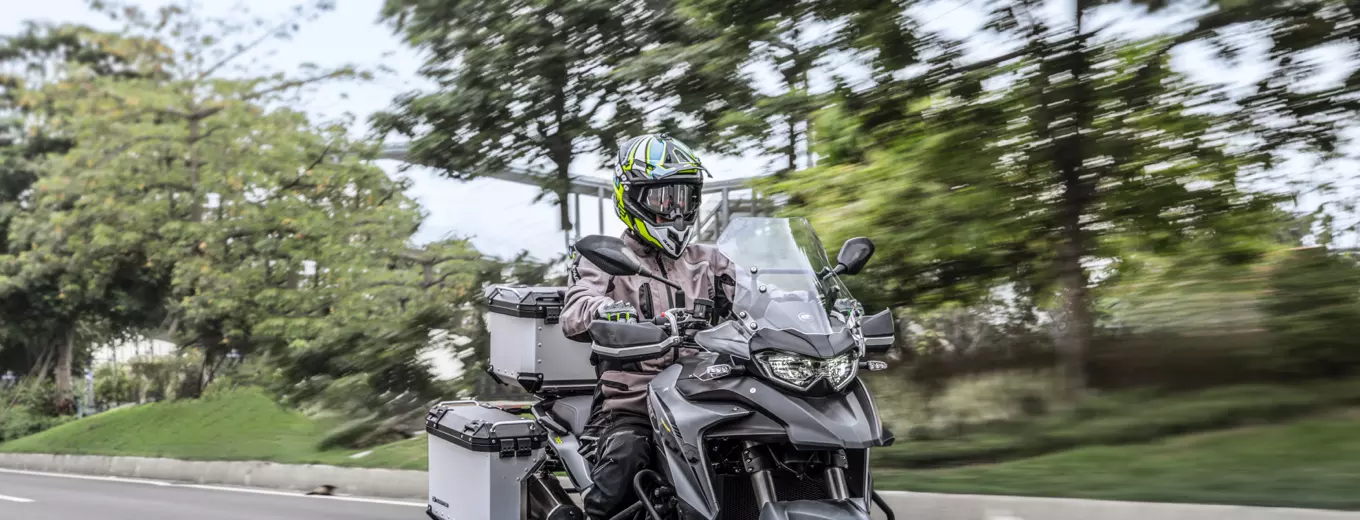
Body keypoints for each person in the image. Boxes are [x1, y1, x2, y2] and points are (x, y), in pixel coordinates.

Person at [561, 134, 736, 520]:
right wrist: (607, 311)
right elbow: (575, 309)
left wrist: (808, 308)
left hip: (705, 393)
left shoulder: (709, 260)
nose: (675, 211)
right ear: (631, 197)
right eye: (663, 199)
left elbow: (759, 294)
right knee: (628, 454)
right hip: (634, 402)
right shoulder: (606, 257)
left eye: (684, 198)